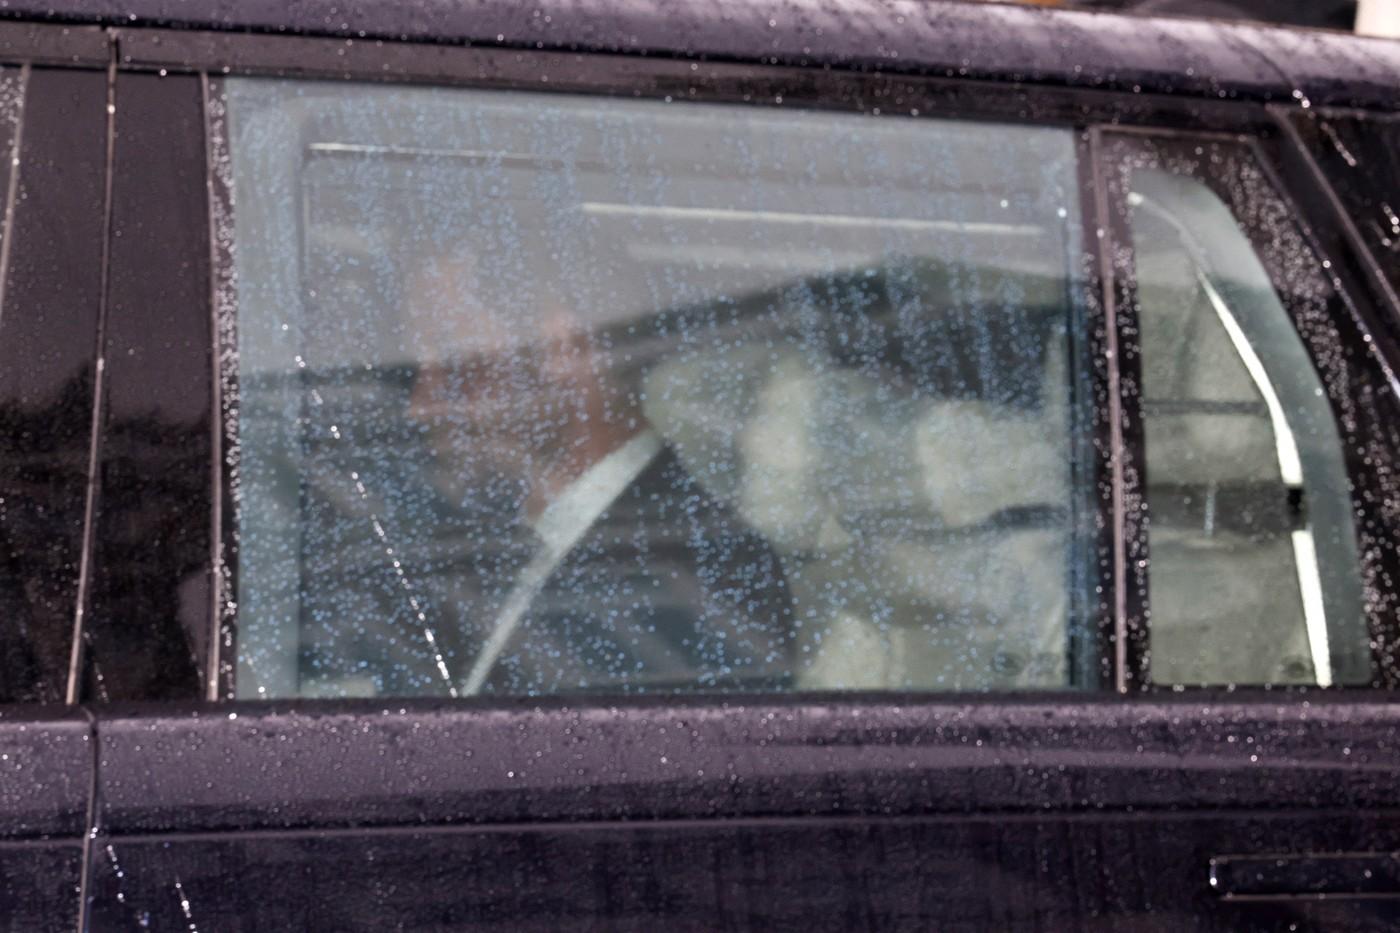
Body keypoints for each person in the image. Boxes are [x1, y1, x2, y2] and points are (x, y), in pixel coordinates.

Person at [400, 252, 797, 696]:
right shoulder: (490, 547)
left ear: (563, 346)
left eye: (454, 362)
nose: (420, 407)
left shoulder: (700, 574)